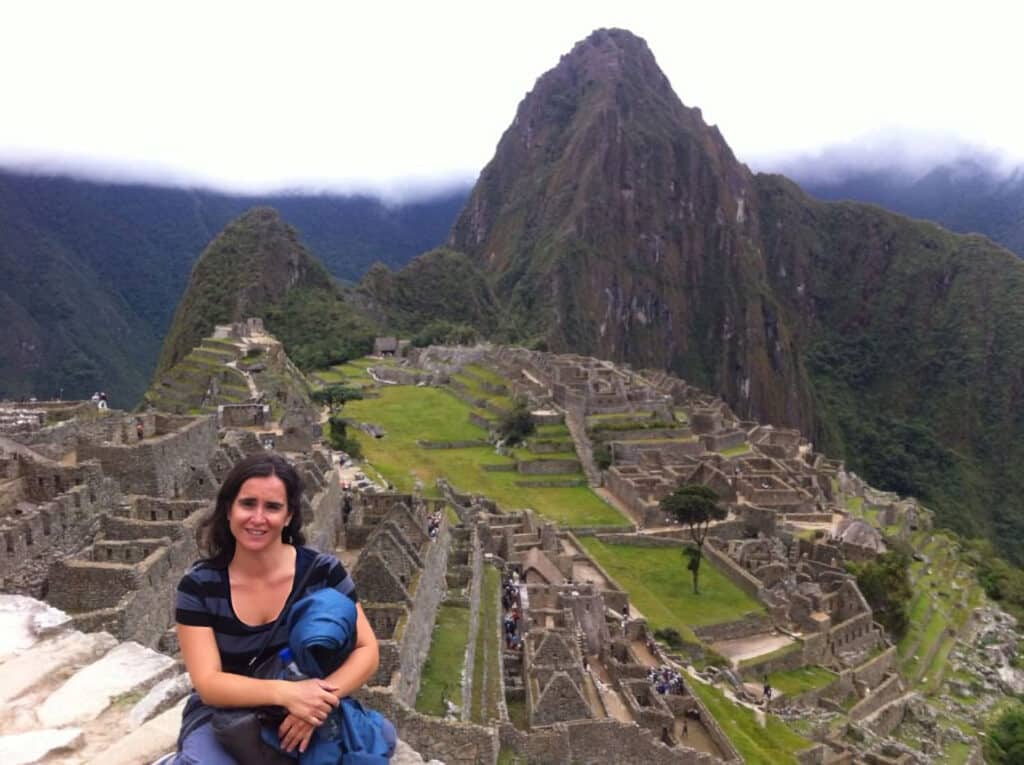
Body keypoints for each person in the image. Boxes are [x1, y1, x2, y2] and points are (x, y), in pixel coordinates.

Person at [172, 453, 380, 763]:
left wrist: (317, 703)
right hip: (226, 716)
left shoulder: (322, 573)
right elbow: (209, 683)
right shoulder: (199, 586)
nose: (258, 518)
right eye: (248, 504)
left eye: (272, 507)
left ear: (288, 516)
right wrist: (286, 694)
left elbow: (367, 650)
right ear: (229, 509)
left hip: (309, 708)